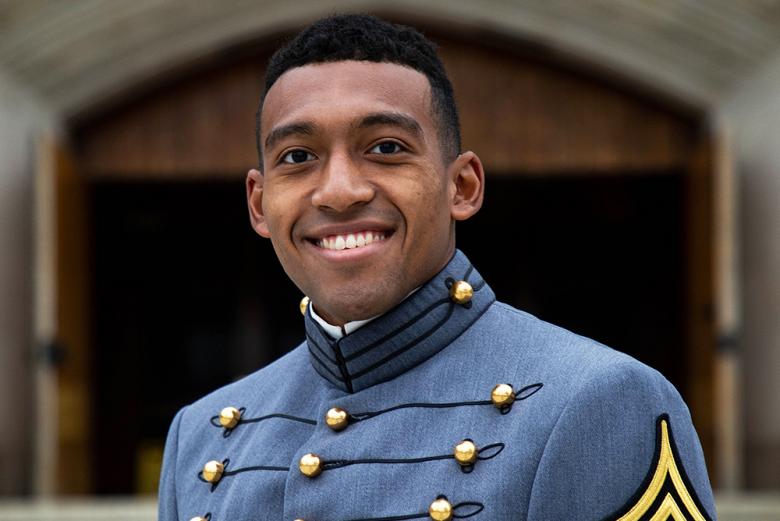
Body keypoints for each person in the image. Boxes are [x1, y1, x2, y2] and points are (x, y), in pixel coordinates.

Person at [159, 14, 715, 521]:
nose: (339, 191)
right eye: (298, 157)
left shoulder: (600, 402)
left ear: (462, 186)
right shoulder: (201, 434)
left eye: (386, 148)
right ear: (259, 204)